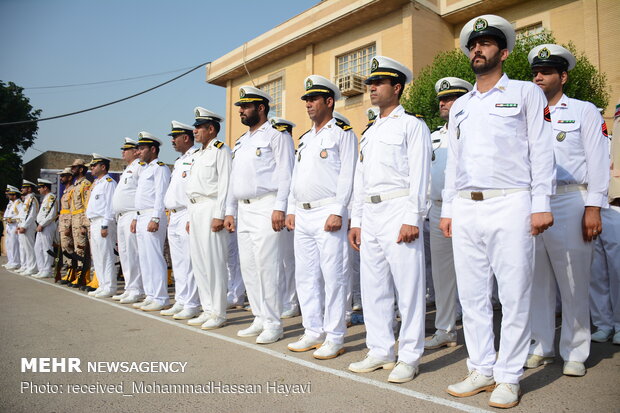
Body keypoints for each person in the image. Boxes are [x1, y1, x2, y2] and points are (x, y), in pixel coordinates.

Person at [439, 15, 555, 408]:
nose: (478, 48)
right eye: (474, 43)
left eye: (487, 43)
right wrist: (449, 207)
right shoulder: (461, 106)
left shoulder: (525, 93)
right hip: (468, 207)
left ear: (503, 52)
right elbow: (455, 162)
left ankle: (509, 376)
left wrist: (541, 204)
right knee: (472, 296)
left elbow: (541, 151)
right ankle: (482, 367)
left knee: (514, 293)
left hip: (512, 202)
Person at [525, 44, 610, 376]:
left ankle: (575, 349)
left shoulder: (583, 110)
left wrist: (593, 207)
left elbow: (598, 161)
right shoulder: (527, 113)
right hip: (534, 201)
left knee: (574, 278)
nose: (539, 77)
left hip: (570, 198)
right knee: (536, 278)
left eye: (545, 72)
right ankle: (542, 345)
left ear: (563, 76)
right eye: (535, 72)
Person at [348, 56, 431, 383]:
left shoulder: (412, 125)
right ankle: (380, 348)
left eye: (378, 83)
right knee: (373, 286)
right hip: (371, 213)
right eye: (370, 83)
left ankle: (410, 355)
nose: (371, 88)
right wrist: (357, 220)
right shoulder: (369, 132)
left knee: (409, 288)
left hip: (400, 210)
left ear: (396, 88)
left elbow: (420, 175)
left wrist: (413, 216)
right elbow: (360, 180)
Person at [285, 75, 357, 359]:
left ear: (329, 101)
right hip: (302, 214)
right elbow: (296, 177)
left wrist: (339, 211)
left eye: (313, 99)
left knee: (334, 275)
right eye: (306, 100)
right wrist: (291, 207)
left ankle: (335, 335)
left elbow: (349, 174)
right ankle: (312, 330)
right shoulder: (305, 139)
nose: (308, 104)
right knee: (306, 276)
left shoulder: (342, 131)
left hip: (328, 212)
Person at [224, 85, 294, 344]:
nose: (241, 110)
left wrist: (280, 206)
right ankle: (260, 317)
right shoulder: (242, 141)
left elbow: (287, 172)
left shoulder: (276, 135)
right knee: (250, 267)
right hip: (244, 208)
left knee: (268, 267)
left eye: (245, 106)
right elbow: (234, 179)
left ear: (261, 108)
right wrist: (230, 210)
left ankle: (274, 323)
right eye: (240, 107)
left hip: (267, 205)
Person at [425, 77, 472, 350]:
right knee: (442, 276)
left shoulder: (473, 131)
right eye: (442, 99)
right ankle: (445, 329)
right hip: (438, 209)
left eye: (450, 98)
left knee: (476, 275)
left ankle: (483, 336)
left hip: (466, 207)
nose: (443, 103)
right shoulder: (435, 136)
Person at [185, 108, 232, 329]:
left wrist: (219, 214)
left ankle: (219, 313)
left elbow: (225, 184)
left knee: (214, 262)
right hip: (195, 209)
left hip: (211, 207)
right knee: (200, 262)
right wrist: (188, 214)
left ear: (211, 129)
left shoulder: (220, 150)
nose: (195, 131)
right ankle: (207, 308)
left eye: (199, 127)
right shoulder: (197, 154)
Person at [160, 121, 201, 319]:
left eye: (175, 137)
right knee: (178, 262)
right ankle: (181, 300)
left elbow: (195, 188)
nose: (172, 141)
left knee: (188, 261)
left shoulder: (196, 157)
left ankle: (192, 304)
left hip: (186, 211)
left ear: (186, 138)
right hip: (174, 214)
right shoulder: (179, 161)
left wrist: (192, 214)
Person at [589, 97, 620, 345]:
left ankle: (619, 324)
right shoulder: (583, 146)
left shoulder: (613, 144)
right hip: (588, 209)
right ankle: (602, 323)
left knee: (617, 270)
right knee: (595, 271)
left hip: (613, 208)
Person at [131, 132, 171, 312]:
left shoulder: (160, 168)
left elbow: (160, 195)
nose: (138, 152)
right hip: (141, 216)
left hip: (152, 216)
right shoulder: (145, 169)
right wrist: (135, 217)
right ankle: (150, 294)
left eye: (141, 148)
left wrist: (156, 217)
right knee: (145, 258)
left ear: (152, 149)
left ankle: (161, 297)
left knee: (154, 258)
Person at [271, 116, 300, 319]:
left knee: (289, 260)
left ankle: (291, 301)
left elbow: (290, 183)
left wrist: (289, 210)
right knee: (277, 259)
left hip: (288, 210)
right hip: (275, 207)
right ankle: (281, 299)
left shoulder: (295, 154)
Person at [112, 138, 145, 303]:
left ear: (135, 151)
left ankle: (137, 289)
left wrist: (138, 216)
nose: (123, 152)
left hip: (132, 214)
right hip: (122, 216)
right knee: (124, 254)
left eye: (126, 149)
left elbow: (141, 193)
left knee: (133, 254)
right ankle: (129, 287)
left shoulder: (140, 167)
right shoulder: (128, 169)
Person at [84, 154, 118, 297]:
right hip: (94, 222)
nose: (91, 168)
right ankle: (102, 285)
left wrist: (105, 225)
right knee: (97, 256)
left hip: (103, 222)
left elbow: (110, 206)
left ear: (103, 167)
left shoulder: (108, 183)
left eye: (94, 165)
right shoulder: (97, 183)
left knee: (106, 255)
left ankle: (110, 286)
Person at [69, 158, 92, 287]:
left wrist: (84, 223)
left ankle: (84, 276)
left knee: (82, 249)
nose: (72, 169)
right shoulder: (76, 185)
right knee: (77, 250)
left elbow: (85, 205)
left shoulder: (85, 184)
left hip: (80, 218)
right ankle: (79, 276)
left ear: (81, 169)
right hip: (73, 218)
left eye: (74, 167)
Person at [33, 178, 58, 278]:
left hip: (47, 226)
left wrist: (42, 224)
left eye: (40, 187)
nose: (38, 189)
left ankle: (47, 270)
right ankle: (41, 269)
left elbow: (51, 214)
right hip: (41, 226)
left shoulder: (51, 197)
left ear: (45, 187)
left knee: (47, 248)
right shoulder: (46, 198)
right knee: (38, 248)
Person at [15, 180, 39, 275]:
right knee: (24, 248)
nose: (21, 189)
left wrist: (24, 226)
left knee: (29, 248)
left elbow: (31, 215)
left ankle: (32, 267)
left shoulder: (31, 199)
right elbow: (23, 214)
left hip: (28, 226)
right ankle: (26, 266)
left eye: (24, 188)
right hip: (24, 225)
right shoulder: (27, 199)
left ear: (29, 189)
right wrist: (19, 225)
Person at [3, 185, 22, 270]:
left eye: (10, 194)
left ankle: (16, 262)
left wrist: (13, 220)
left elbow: (21, 216)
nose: (8, 195)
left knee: (14, 245)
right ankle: (11, 261)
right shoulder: (11, 204)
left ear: (14, 195)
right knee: (9, 244)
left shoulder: (18, 203)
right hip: (9, 226)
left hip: (15, 225)